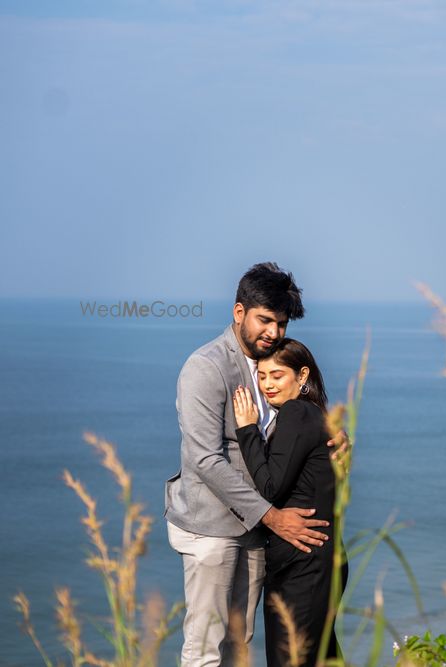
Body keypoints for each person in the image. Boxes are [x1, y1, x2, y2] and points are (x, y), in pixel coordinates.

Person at [165, 262, 348, 666]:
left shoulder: (274, 362)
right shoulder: (205, 367)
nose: (274, 332)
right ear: (238, 312)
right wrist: (272, 517)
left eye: (281, 323)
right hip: (210, 527)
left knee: (240, 644)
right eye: (265, 320)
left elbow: (292, 430)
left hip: (255, 532)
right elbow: (205, 458)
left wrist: (333, 434)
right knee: (205, 649)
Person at [232, 338, 349, 666]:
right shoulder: (317, 416)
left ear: (302, 376)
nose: (267, 384)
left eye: (277, 375)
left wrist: (247, 430)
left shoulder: (296, 412)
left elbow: (269, 486)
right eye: (262, 375)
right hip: (319, 561)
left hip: (303, 566)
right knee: (320, 658)